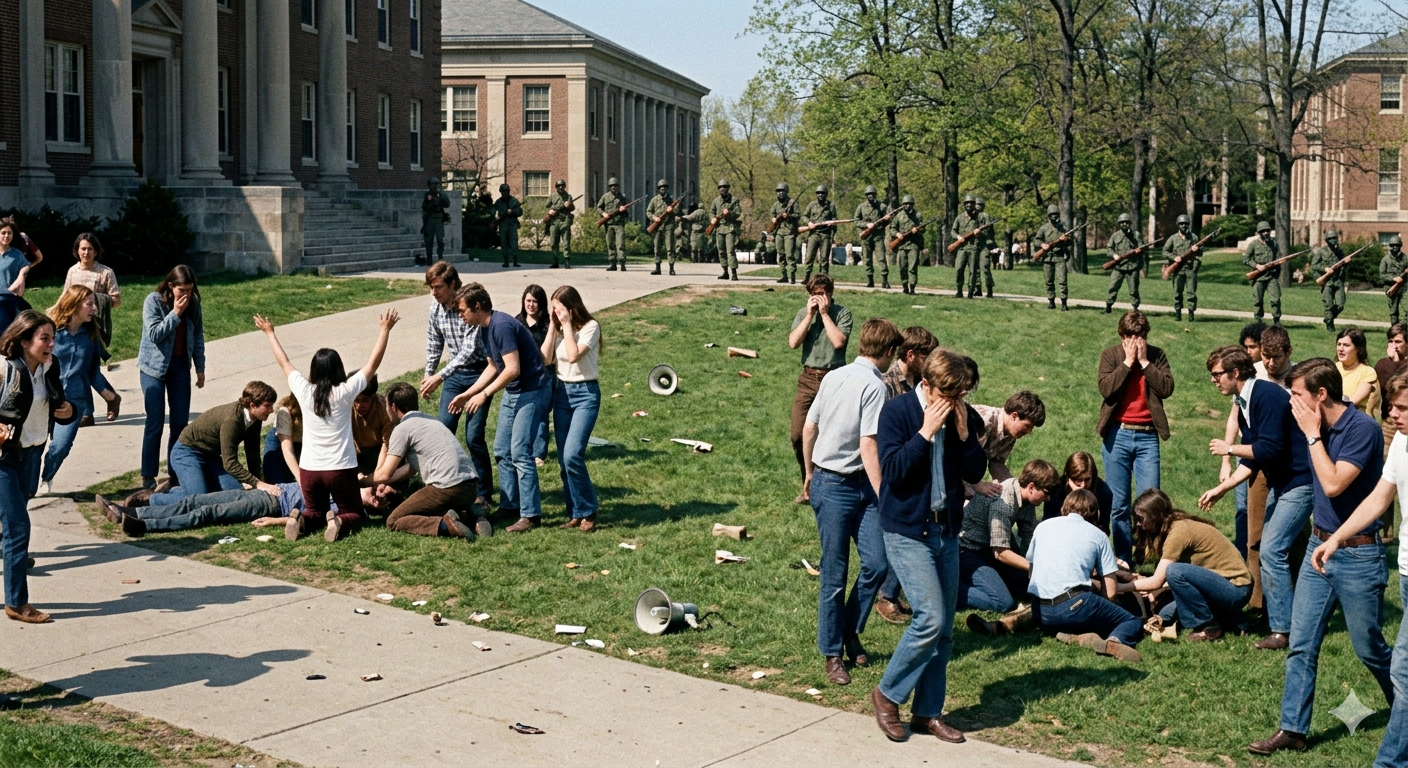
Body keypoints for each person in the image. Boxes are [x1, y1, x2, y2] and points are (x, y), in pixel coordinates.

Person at [1247, 358, 1393, 756]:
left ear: (1321, 394)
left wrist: (1313, 436)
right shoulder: (1310, 426)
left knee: (1369, 648)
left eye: (1296, 394)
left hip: (1358, 554)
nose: (1291, 401)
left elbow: (1332, 484)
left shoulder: (1361, 429)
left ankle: (1402, 705)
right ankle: (1293, 729)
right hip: (1319, 549)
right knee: (1302, 643)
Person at [870, 348, 986, 745]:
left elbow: (975, 471)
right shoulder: (898, 412)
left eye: (961, 395)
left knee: (945, 631)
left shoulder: (961, 414)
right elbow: (894, 473)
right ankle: (887, 695)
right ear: (926, 385)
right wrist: (924, 434)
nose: (955, 402)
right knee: (930, 618)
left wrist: (965, 434)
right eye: (948, 395)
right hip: (907, 531)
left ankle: (927, 712)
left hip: (945, 531)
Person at [1306, 370, 1408, 767]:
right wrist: (1335, 539)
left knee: (1401, 671)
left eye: (1403, 408)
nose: (1393, 415)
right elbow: (1379, 498)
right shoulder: (1401, 442)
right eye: (1393, 407)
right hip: (1405, 571)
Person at [801, 318, 901, 686]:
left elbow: (809, 428)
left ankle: (848, 629)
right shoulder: (874, 386)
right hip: (837, 485)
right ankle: (832, 653)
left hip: (849, 482)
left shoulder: (832, 375)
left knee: (877, 563)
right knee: (834, 573)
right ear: (888, 352)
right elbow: (869, 444)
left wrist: (807, 471)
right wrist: (884, 493)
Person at [1198, 344, 1313, 651]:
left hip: (1300, 483)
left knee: (1272, 550)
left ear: (1235, 372)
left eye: (1217, 374)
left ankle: (1283, 630)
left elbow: (1269, 449)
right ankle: (1280, 618)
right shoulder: (1246, 399)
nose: (1213, 380)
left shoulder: (1266, 396)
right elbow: (1254, 459)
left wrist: (1229, 449)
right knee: (1272, 547)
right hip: (1283, 484)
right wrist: (1222, 489)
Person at [255, 308, 399, 543]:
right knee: (355, 513)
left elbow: (284, 362)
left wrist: (270, 333)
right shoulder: (345, 391)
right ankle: (339, 522)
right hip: (340, 468)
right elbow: (373, 364)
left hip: (309, 469)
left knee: (315, 512)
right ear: (338, 370)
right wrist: (385, 330)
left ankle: (299, 519)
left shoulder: (304, 390)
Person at [449, 283, 552, 532]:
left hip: (532, 390)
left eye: (462, 310)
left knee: (520, 452)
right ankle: (510, 505)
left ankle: (531, 515)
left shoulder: (502, 325)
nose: (460, 315)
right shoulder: (484, 329)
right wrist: (468, 394)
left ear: (477, 306)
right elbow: (493, 366)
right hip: (515, 391)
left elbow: (513, 369)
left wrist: (484, 394)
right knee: (502, 450)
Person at [0, 311, 76, 623]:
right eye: (44, 338)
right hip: (3, 459)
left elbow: (58, 404)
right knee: (18, 528)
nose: (51, 344)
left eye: (52, 338)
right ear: (23, 340)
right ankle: (17, 603)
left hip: (32, 455)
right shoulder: (4, 368)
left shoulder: (49, 367)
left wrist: (69, 411)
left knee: (11, 524)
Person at [1025, 489, 1143, 662]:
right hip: (1073, 605)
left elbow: (1031, 572)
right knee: (1131, 620)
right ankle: (1114, 641)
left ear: (1064, 508)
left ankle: (1072, 634)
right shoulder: (1098, 535)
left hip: (1039, 610)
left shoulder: (1042, 526)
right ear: (1097, 513)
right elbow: (1111, 592)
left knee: (1076, 614)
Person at [1122, 489, 1251, 641]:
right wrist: (1151, 587)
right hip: (1221, 586)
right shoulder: (1173, 525)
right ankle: (1232, 618)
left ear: (1155, 516)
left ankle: (1207, 626)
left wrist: (1118, 587)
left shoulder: (1178, 532)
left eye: (1141, 519)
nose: (1138, 524)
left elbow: (1158, 580)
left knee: (1174, 571)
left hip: (1235, 589)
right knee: (1165, 614)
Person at [1096, 310, 1173, 563]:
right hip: (1117, 434)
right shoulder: (1111, 355)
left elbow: (1166, 388)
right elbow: (1106, 389)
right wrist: (1128, 363)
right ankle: (1123, 559)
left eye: (1140, 337)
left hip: (1147, 436)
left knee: (1151, 501)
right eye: (1130, 337)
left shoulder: (1156, 355)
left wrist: (1145, 363)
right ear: (1122, 336)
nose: (1135, 342)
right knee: (1119, 504)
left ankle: (1147, 551)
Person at [370, 382, 492, 541]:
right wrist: (385, 482)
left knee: (393, 520)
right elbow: (411, 469)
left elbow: (385, 474)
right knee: (422, 503)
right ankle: (474, 516)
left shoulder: (402, 428)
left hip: (446, 489)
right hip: (471, 488)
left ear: (393, 407)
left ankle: (448, 525)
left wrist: (361, 481)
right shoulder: (432, 421)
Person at [874, 326, 938, 624]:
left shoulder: (917, 383)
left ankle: (893, 590)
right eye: (928, 356)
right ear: (911, 355)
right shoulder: (886, 385)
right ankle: (885, 595)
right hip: (889, 467)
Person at [419, 263, 492, 506]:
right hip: (454, 376)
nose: (434, 292)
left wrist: (439, 377)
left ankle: (483, 492)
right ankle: (443, 485)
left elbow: (468, 351)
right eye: (431, 288)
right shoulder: (435, 308)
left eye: (438, 287)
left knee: (473, 436)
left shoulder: (467, 306)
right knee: (443, 431)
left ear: (452, 284)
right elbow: (434, 342)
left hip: (479, 374)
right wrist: (429, 374)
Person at [97, 482, 399, 538]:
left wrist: (275, 521)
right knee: (195, 501)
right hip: (266, 490)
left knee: (208, 514)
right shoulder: (350, 476)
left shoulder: (349, 509)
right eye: (384, 491)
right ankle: (130, 514)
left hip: (272, 503)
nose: (381, 496)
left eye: (386, 501)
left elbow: (314, 518)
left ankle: (146, 526)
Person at [40, 286, 120, 493]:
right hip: (43, 398)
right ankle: (28, 488)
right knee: (34, 448)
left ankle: (45, 478)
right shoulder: (51, 332)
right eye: (89, 304)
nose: (95, 309)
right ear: (74, 304)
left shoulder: (91, 336)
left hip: (74, 401)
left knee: (61, 446)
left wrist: (110, 396)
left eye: (95, 304)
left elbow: (92, 372)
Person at [957, 459, 1059, 615]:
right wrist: (1034, 568)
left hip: (987, 548)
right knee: (1004, 603)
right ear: (1031, 487)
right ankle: (952, 590)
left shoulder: (1027, 500)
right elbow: (1000, 552)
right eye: (1047, 493)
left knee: (1025, 589)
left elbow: (1030, 537)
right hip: (967, 550)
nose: (1048, 499)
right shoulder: (1004, 501)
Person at [138, 266, 206, 490]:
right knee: (155, 421)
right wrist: (175, 313)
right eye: (181, 290)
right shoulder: (153, 301)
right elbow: (155, 334)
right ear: (170, 286)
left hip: (179, 366)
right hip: (153, 368)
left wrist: (200, 367)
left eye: (189, 289)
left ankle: (175, 473)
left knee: (179, 423)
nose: (186, 294)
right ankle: (148, 474)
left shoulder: (193, 304)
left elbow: (197, 336)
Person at [541, 286, 603, 531]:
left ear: (570, 307)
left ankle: (589, 511)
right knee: (563, 460)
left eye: (558, 308)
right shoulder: (558, 328)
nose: (555, 312)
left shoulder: (591, 327)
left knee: (572, 455)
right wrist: (552, 326)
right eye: (553, 308)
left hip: (585, 394)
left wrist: (566, 325)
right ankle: (576, 512)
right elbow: (546, 358)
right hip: (562, 393)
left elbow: (574, 354)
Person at [788, 275, 852, 504]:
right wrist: (809, 315)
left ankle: (829, 487)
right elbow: (793, 343)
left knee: (832, 435)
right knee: (798, 434)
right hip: (808, 378)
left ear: (831, 293)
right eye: (814, 295)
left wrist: (824, 314)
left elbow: (838, 342)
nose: (818, 299)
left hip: (834, 378)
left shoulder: (842, 313)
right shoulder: (804, 313)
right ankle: (808, 482)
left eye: (822, 294)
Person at [166, 382, 279, 498]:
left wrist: (257, 484)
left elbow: (252, 453)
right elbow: (229, 463)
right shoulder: (232, 420)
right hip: (187, 453)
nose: (271, 410)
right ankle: (159, 497)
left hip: (211, 456)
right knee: (200, 498)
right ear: (252, 405)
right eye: (267, 406)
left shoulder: (256, 418)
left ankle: (193, 486)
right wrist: (258, 483)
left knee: (235, 492)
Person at [970, 391, 1046, 495]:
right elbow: (954, 455)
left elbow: (996, 462)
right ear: (1014, 416)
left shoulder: (1010, 432)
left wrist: (1014, 489)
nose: (1029, 432)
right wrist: (977, 485)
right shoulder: (984, 420)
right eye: (1027, 426)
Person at [62, 233, 121, 364]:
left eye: (90, 249)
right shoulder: (72, 271)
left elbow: (116, 300)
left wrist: (99, 300)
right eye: (83, 249)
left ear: (96, 252)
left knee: (91, 360)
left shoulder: (106, 273)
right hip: (74, 323)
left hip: (94, 323)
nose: (86, 252)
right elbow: (65, 297)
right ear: (77, 251)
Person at [517, 285, 552, 468]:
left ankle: (539, 452)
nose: (531, 305)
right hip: (523, 374)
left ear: (541, 303)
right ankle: (523, 447)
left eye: (535, 301)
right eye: (528, 301)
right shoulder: (517, 322)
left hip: (545, 373)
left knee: (540, 412)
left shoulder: (547, 323)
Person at [1041, 451, 1114, 534]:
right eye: (1078, 480)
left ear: (1093, 476)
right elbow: (1049, 524)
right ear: (1068, 477)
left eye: (1087, 479)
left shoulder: (1103, 492)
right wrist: (1076, 497)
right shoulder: (1056, 491)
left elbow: (1103, 530)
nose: (1083, 485)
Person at [1374, 324, 1408, 461]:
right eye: (1390, 341)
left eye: (1398, 342)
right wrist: (1393, 362)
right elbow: (1388, 388)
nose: (1394, 346)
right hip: (1389, 422)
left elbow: (1400, 383)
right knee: (1385, 460)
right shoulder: (1383, 364)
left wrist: (1395, 363)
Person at [880, 326, 938, 402]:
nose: (930, 364)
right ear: (910, 356)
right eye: (926, 359)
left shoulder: (922, 379)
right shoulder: (886, 384)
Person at [1162, 214, 1202, 322]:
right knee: (1177, 293)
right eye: (1181, 224)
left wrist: (1197, 249)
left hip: (1190, 269)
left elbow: (1201, 252)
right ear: (1178, 225)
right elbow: (1165, 251)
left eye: (1185, 224)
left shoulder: (1193, 237)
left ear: (1188, 225)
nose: (1183, 226)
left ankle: (1191, 314)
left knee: (1191, 293)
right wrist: (1174, 257)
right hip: (1177, 270)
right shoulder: (1173, 238)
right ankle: (1178, 313)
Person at [1032, 204, 1072, 311]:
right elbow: (1036, 240)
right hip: (1047, 258)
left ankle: (1064, 303)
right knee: (1049, 281)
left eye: (1056, 214)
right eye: (1052, 214)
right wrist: (1042, 245)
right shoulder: (1044, 228)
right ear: (1048, 216)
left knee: (1062, 281)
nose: (1054, 216)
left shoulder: (1063, 228)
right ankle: (1051, 302)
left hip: (1059, 258)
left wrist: (1066, 240)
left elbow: (1070, 242)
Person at [351, 376, 393, 476]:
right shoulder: (346, 408)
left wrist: (377, 475)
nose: (359, 406)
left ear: (373, 397)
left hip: (381, 451)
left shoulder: (385, 410)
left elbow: (386, 445)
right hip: (359, 454)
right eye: (356, 400)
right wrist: (358, 473)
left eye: (365, 400)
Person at [1104, 213, 1143, 313]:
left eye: (1126, 222)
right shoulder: (1115, 236)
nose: (1124, 224)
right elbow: (1109, 248)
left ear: (1130, 223)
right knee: (1113, 286)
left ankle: (1135, 309)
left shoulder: (1136, 235)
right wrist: (1114, 255)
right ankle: (1108, 306)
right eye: (1122, 222)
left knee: (1133, 289)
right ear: (1119, 224)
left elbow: (1142, 248)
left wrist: (1139, 251)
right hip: (1119, 267)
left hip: (1132, 266)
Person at [1244, 221, 1282, 325]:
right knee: (1258, 300)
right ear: (1259, 233)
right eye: (1263, 231)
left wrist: (1278, 265)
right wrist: (1256, 266)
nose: (1266, 233)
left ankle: (1276, 320)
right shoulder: (1253, 245)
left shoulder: (1274, 243)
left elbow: (1279, 258)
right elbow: (1246, 259)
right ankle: (1258, 320)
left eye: (1267, 231)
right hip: (1258, 277)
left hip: (1271, 276)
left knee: (1276, 299)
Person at [1308, 229, 1347, 331]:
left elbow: (1343, 266)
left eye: (1335, 238)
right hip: (1327, 282)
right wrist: (1325, 269)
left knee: (1340, 305)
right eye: (1331, 239)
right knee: (1328, 305)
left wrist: (1346, 262)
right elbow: (1314, 266)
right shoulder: (1321, 251)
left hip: (1338, 281)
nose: (1333, 240)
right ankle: (1330, 324)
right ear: (1327, 240)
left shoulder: (1339, 251)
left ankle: (1329, 318)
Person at [1337, 327, 1381, 417]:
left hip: (1354, 419)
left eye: (1346, 345)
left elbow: (1352, 402)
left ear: (1357, 349)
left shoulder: (1367, 372)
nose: (1341, 349)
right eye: (1339, 344)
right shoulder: (1333, 367)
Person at [262, 393, 302, 486]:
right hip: (280, 440)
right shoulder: (284, 411)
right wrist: (300, 478)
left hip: (301, 444)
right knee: (277, 483)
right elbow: (287, 449)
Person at [854, 185, 889, 289]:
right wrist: (866, 225)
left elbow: (887, 221)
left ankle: (885, 280)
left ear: (875, 195)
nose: (870, 196)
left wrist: (886, 219)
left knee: (881, 258)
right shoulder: (861, 207)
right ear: (866, 195)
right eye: (869, 194)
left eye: (872, 194)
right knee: (867, 259)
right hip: (866, 237)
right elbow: (856, 221)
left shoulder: (882, 207)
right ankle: (870, 280)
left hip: (878, 236)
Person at [802, 185, 838, 282]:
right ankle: (807, 277)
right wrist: (809, 223)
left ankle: (823, 279)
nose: (820, 195)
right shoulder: (811, 205)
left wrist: (832, 222)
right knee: (809, 257)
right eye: (818, 193)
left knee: (824, 259)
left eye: (822, 193)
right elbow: (804, 216)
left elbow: (835, 218)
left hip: (826, 234)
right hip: (814, 234)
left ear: (826, 194)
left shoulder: (831, 206)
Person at [889, 195, 923, 295]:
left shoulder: (918, 215)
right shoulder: (899, 216)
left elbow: (923, 228)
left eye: (910, 204)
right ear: (903, 205)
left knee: (912, 268)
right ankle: (905, 287)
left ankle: (912, 288)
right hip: (902, 245)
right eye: (906, 204)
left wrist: (917, 230)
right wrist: (897, 234)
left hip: (913, 244)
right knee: (902, 267)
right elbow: (892, 228)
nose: (908, 206)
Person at [709, 180, 743, 281]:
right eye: (720, 187)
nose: (722, 189)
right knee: (721, 251)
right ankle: (725, 271)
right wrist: (713, 218)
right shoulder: (716, 201)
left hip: (730, 228)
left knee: (730, 251)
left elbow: (738, 213)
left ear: (728, 188)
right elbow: (711, 212)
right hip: (719, 228)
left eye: (724, 187)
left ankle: (734, 272)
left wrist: (729, 214)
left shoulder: (734, 200)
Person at [951, 195, 984, 299]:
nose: (969, 205)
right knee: (958, 269)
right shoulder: (959, 217)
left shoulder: (979, 217)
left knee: (973, 271)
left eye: (971, 203)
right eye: (967, 203)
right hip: (961, 248)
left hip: (973, 248)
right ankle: (959, 291)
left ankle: (970, 292)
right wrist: (958, 237)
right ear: (964, 205)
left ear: (974, 204)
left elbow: (986, 231)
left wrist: (979, 232)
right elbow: (953, 231)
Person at [596, 177, 630, 272]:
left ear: (618, 186)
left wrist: (624, 209)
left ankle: (622, 263)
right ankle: (612, 264)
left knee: (620, 244)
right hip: (609, 224)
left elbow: (627, 214)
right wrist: (603, 214)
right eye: (612, 186)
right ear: (609, 187)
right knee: (610, 244)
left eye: (615, 186)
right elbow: (599, 207)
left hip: (619, 224)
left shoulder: (622, 197)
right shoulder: (605, 197)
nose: (614, 187)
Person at [646, 179, 677, 276]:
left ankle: (671, 268)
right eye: (661, 187)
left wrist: (672, 210)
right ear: (658, 189)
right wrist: (654, 218)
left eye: (664, 187)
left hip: (668, 225)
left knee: (670, 247)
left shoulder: (671, 200)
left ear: (667, 188)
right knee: (657, 247)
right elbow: (648, 212)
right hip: (658, 226)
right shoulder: (654, 200)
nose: (663, 188)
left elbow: (677, 212)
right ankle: (657, 268)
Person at [771, 182, 800, 284]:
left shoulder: (793, 203)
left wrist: (789, 216)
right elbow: (772, 214)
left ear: (786, 192)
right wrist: (774, 219)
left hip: (789, 233)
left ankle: (792, 276)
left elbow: (798, 215)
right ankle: (784, 275)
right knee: (781, 254)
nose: (780, 193)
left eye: (782, 191)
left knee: (789, 255)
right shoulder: (775, 205)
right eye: (778, 191)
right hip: (779, 232)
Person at [420, 176, 451, 265]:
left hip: (438, 219)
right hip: (429, 220)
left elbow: (447, 204)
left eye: (435, 184)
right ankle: (429, 259)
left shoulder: (441, 194)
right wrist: (429, 201)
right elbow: (424, 207)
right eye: (432, 184)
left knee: (440, 239)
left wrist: (440, 199)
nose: (433, 186)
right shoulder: (427, 195)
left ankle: (440, 257)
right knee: (428, 240)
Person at [546, 179, 574, 270]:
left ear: (564, 186)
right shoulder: (552, 196)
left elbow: (572, 208)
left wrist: (569, 205)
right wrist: (551, 211)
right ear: (556, 187)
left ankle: (567, 261)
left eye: (562, 185)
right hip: (554, 222)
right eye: (559, 186)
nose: (560, 187)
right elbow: (547, 206)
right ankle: (555, 261)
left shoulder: (568, 196)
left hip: (565, 221)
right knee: (554, 242)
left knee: (566, 242)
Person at [494, 183, 523, 268]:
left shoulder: (514, 201)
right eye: (503, 191)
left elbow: (520, 212)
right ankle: (506, 261)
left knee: (514, 242)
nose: (505, 193)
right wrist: (495, 216)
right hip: (503, 224)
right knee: (504, 243)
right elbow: (493, 210)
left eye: (506, 191)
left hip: (512, 224)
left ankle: (515, 261)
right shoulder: (498, 202)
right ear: (501, 192)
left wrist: (512, 212)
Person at [974, 196, 997, 298]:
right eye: (977, 204)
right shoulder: (972, 216)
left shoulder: (985, 216)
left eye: (980, 205)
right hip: (975, 244)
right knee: (975, 268)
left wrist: (980, 231)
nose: (978, 206)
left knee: (985, 267)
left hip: (985, 245)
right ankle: (977, 288)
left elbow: (988, 229)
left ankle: (989, 288)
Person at [1381, 235, 1408, 325]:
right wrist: (1394, 279)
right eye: (1392, 245)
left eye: (1397, 245)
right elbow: (1382, 275)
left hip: (1404, 288)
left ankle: (1404, 327)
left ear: (1400, 246)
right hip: (1391, 288)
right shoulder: (1385, 259)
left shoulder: (1405, 258)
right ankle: (1395, 329)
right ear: (1390, 246)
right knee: (1393, 312)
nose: (1395, 247)